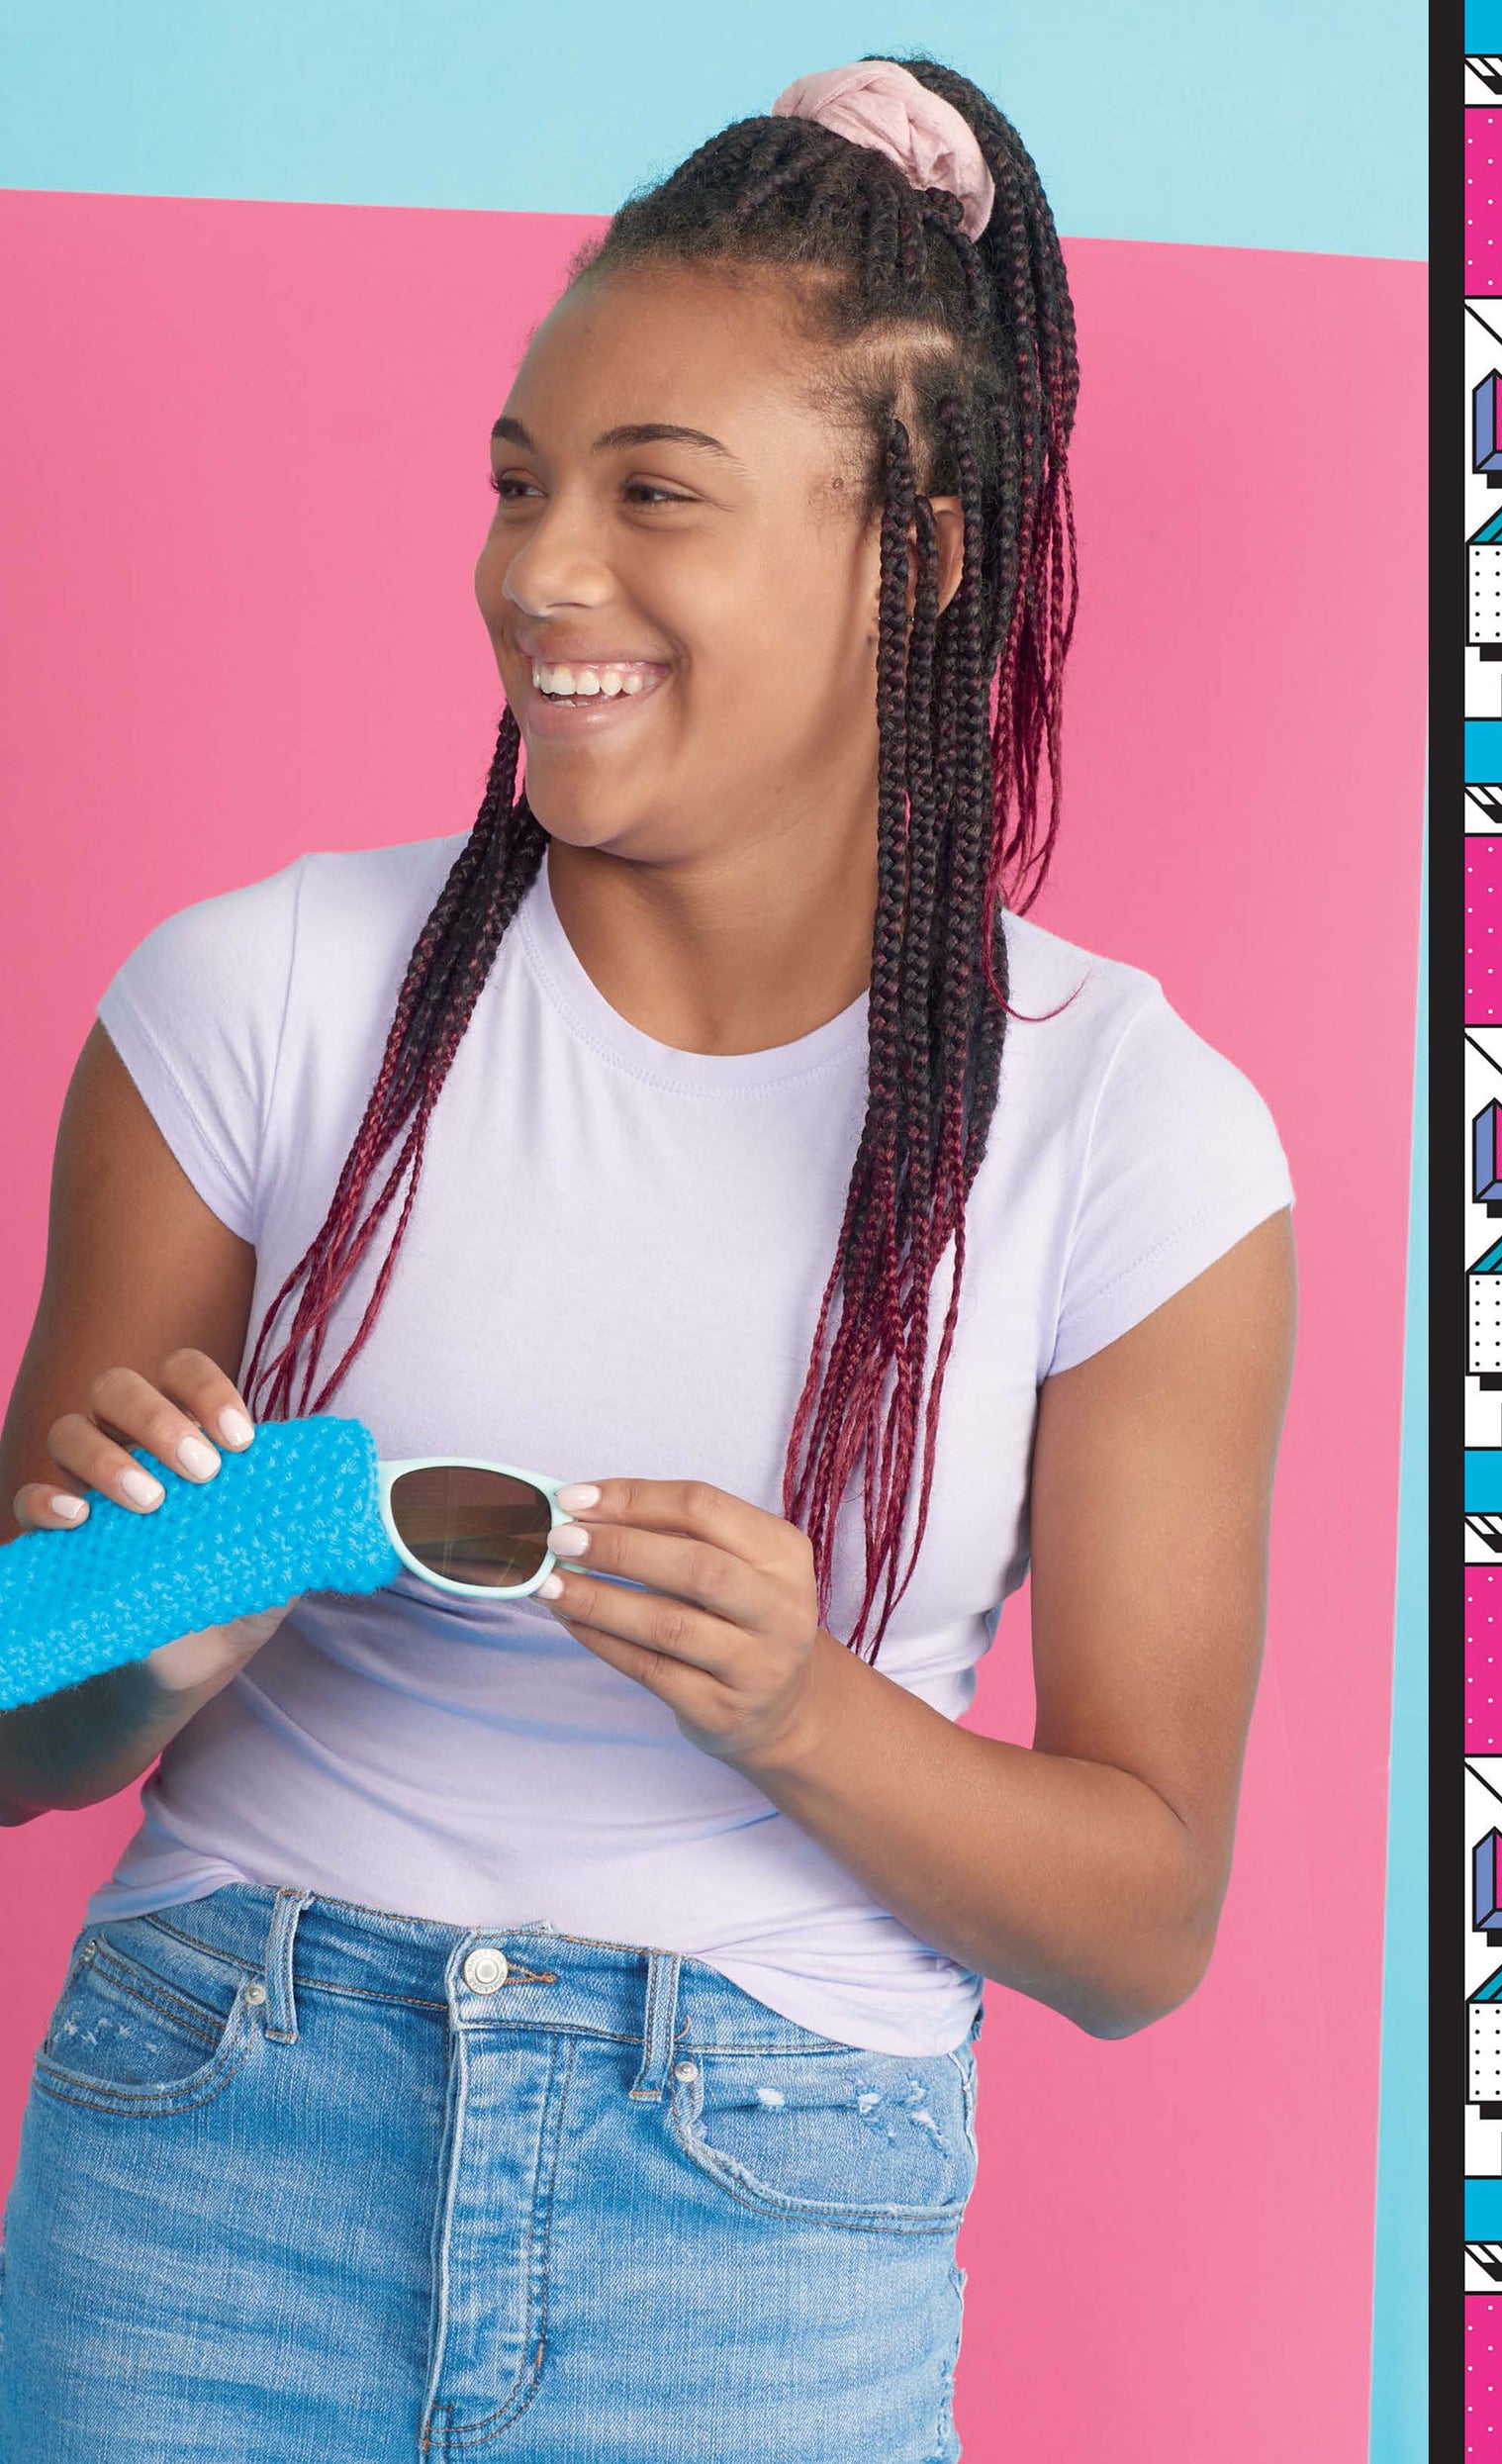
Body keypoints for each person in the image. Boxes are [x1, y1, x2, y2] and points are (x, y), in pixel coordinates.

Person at [0, 53, 1297, 2463]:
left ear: (909, 551)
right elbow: (9, 1733)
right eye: (516, 481)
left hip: (757, 2224)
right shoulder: (252, 1001)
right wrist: (132, 1630)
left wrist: (801, 1709)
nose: (537, 573)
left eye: (650, 496)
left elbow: (1143, 1923)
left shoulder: (1134, 1136)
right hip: (206, 2155)